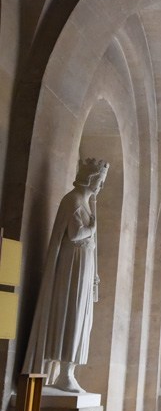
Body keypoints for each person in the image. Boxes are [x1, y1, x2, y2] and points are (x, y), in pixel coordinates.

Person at [23, 158, 110, 393]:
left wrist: (93, 273)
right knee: (71, 314)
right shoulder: (73, 201)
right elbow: (74, 235)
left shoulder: (85, 202)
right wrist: (92, 228)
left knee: (81, 316)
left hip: (83, 266)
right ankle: (65, 372)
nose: (100, 188)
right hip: (72, 267)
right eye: (99, 182)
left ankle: (68, 371)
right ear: (90, 178)